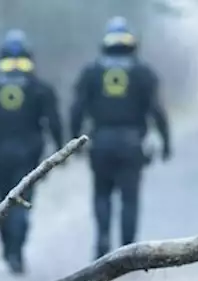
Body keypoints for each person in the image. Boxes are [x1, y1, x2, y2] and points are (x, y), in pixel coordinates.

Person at [69, 16, 172, 259]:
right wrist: (166, 142)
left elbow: (77, 109)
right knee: (130, 198)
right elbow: (157, 110)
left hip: (101, 142)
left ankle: (103, 240)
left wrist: (74, 141)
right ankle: (127, 251)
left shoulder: (92, 71)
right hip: (132, 143)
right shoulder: (143, 72)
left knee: (102, 194)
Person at [0, 29, 64, 275]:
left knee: (4, 202)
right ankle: (16, 251)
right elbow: (54, 122)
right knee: (24, 201)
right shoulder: (40, 87)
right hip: (30, 155)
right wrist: (60, 151)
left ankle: (10, 250)